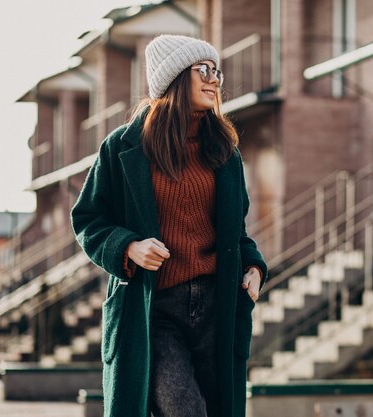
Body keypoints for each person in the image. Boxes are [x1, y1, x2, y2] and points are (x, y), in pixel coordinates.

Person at [71, 34, 267, 417]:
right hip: (154, 309)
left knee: (215, 409)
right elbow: (88, 219)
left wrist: (255, 268)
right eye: (203, 70)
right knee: (184, 409)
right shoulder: (123, 147)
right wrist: (128, 247)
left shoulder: (225, 153)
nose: (214, 80)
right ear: (174, 77)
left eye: (217, 72)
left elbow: (237, 234)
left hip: (217, 307)